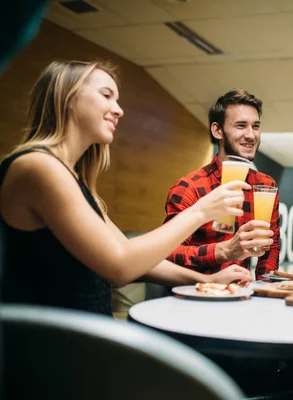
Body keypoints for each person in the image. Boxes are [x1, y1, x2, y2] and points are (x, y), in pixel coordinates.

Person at [0, 60, 252, 316]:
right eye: (106, 95)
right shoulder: (39, 167)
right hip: (51, 347)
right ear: (68, 98)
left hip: (82, 337)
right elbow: (120, 268)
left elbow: (134, 259)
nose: (118, 110)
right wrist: (200, 212)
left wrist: (206, 281)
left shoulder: (72, 178)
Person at [164, 88, 279, 280]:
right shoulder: (189, 188)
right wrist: (223, 251)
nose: (251, 135)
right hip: (197, 297)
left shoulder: (265, 184)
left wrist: (263, 290)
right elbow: (169, 252)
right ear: (217, 130)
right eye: (241, 126)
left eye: (256, 126)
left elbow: (271, 246)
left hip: (243, 298)